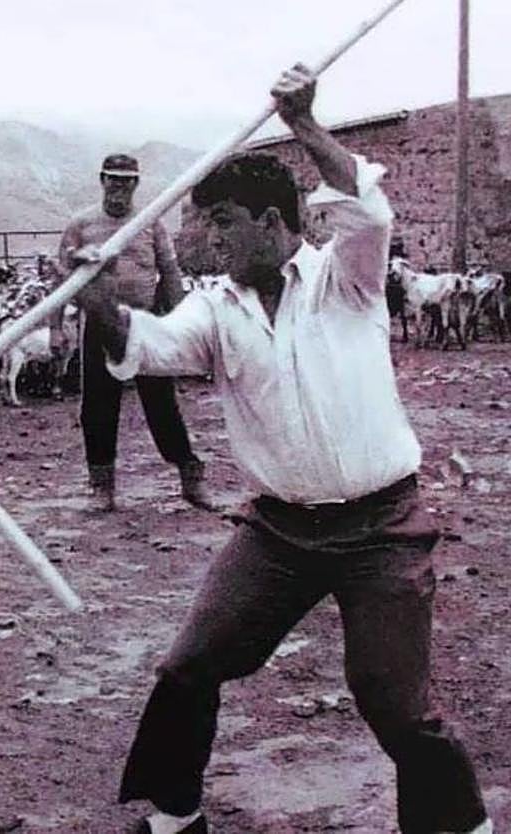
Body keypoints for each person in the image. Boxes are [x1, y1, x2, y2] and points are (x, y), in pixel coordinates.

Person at [87, 65, 491, 834]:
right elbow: (148, 346)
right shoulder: (215, 310)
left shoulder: (350, 280)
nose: (211, 239)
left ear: (276, 224)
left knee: (397, 705)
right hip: (277, 533)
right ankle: (175, 816)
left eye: (227, 222)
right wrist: (95, 294)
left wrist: (307, 125)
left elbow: (366, 212)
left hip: (382, 529)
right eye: (207, 224)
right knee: (189, 665)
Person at [53, 152, 209, 511]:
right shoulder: (81, 224)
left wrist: (184, 321)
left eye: (126, 180)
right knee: (97, 405)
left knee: (162, 405)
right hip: (99, 324)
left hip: (146, 324)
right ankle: (101, 487)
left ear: (136, 184)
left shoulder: (151, 223)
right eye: (113, 179)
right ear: (102, 180)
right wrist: (56, 329)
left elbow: (169, 273)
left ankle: (190, 475)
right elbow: (60, 282)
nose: (119, 187)